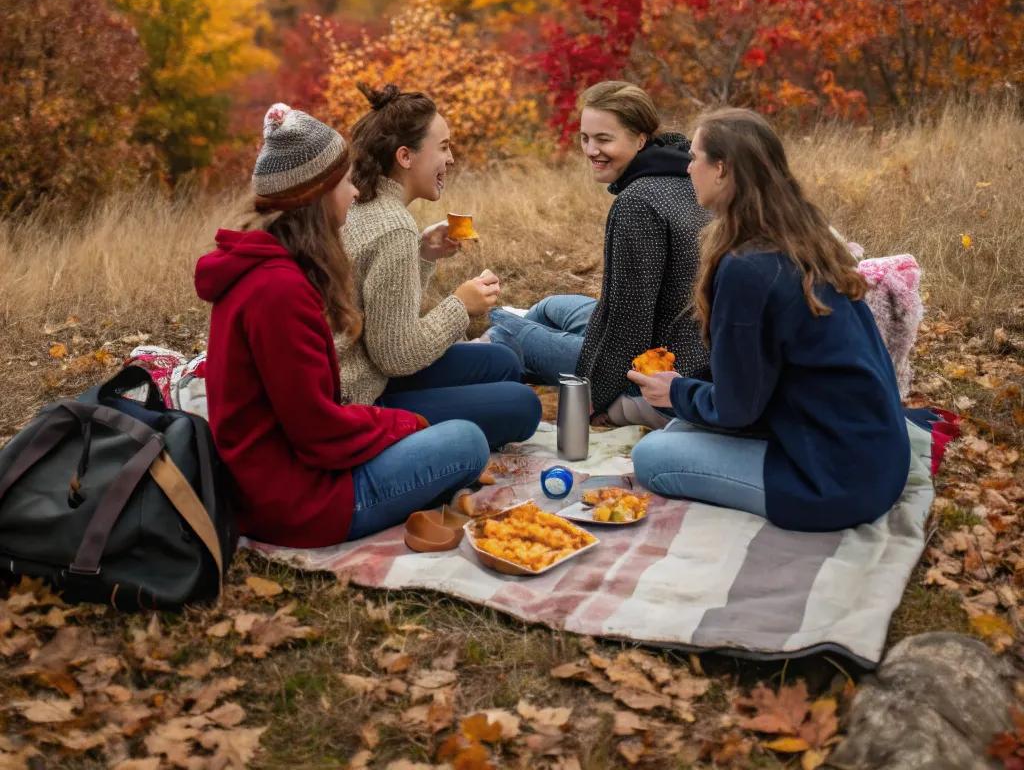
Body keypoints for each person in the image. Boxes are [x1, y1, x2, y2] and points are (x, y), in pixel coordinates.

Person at [195, 103, 490, 548]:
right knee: (466, 441)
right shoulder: (278, 290)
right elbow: (320, 432)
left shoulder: (269, 267)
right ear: (314, 196)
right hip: (299, 501)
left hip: (277, 474)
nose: (355, 192)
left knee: (480, 394)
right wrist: (406, 424)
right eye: (345, 182)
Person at [628, 106, 911, 532]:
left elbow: (736, 408)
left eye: (696, 156)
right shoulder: (803, 235)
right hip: (872, 451)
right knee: (679, 431)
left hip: (834, 481)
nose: (688, 167)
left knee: (652, 457)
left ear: (721, 169)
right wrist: (688, 398)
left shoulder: (748, 267)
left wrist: (676, 393)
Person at [488, 81, 710, 426]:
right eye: (584, 138)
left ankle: (483, 376)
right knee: (551, 306)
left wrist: (596, 397)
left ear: (640, 139)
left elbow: (629, 323)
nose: (591, 150)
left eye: (604, 139)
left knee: (501, 325)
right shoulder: (688, 173)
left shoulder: (637, 203)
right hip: (687, 336)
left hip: (660, 364)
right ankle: (537, 346)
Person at [338, 83, 542, 449]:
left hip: (366, 367)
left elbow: (382, 318)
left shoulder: (363, 205)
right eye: (444, 147)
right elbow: (397, 354)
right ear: (405, 156)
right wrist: (461, 306)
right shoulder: (392, 227)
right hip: (358, 398)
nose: (450, 159)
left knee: (503, 361)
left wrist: (423, 255)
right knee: (523, 405)